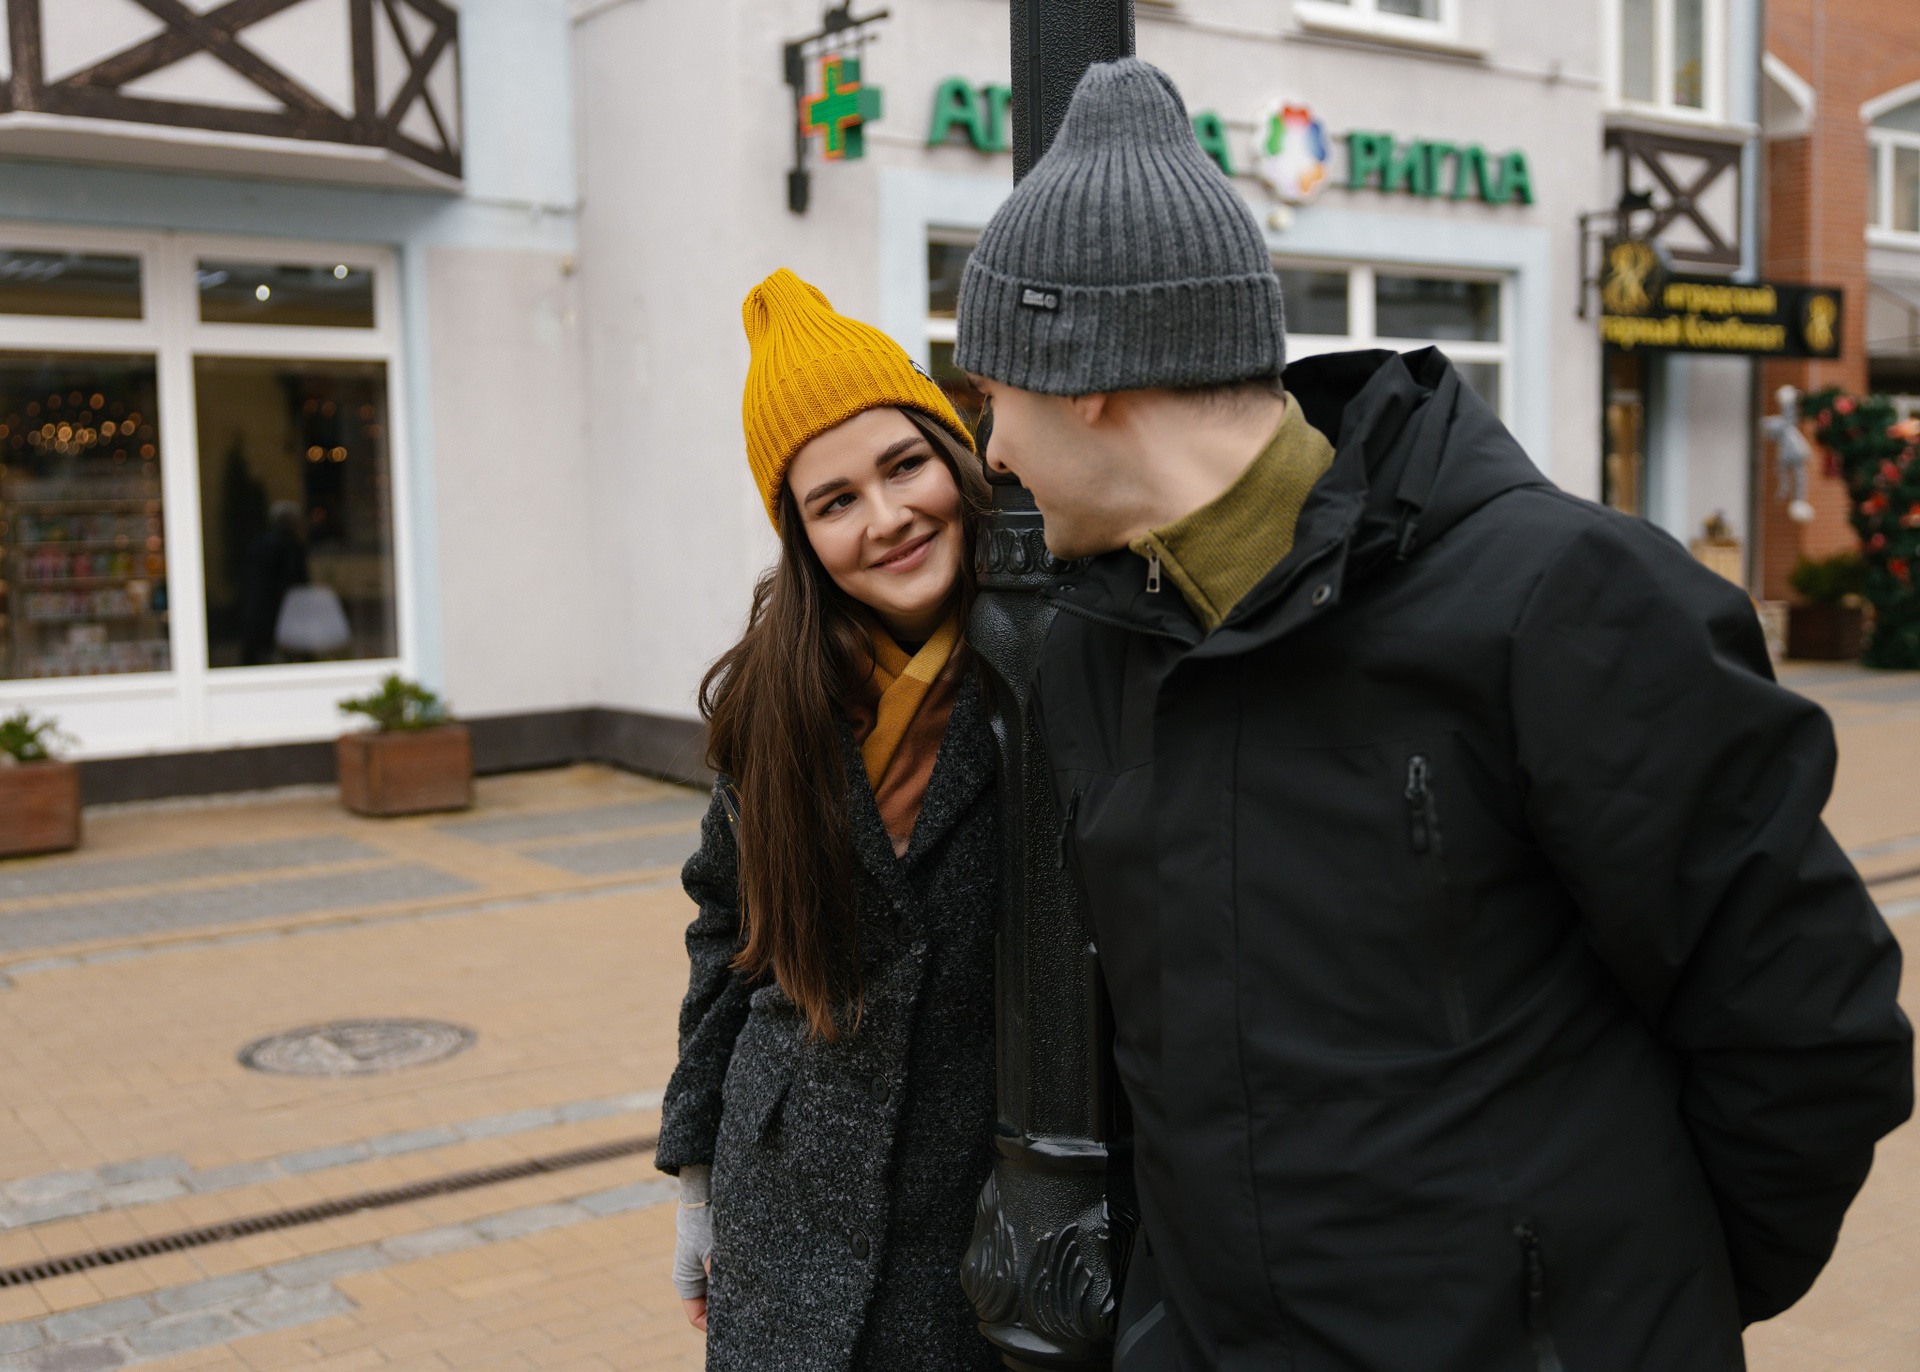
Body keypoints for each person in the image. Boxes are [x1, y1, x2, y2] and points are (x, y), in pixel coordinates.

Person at [954, 58, 1914, 1372]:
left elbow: (1810, 1030)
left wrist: (1611, 1315)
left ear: (1084, 376)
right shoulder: (1093, 649)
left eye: (990, 395)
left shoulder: (1561, 599)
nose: (990, 451)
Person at [655, 269, 1001, 1372]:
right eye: (835, 501)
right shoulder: (775, 697)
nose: (888, 519)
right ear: (800, 533)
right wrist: (699, 1175)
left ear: (955, 455)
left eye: (904, 466)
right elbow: (728, 929)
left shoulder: (1054, 661)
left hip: (986, 1224)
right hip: (786, 1213)